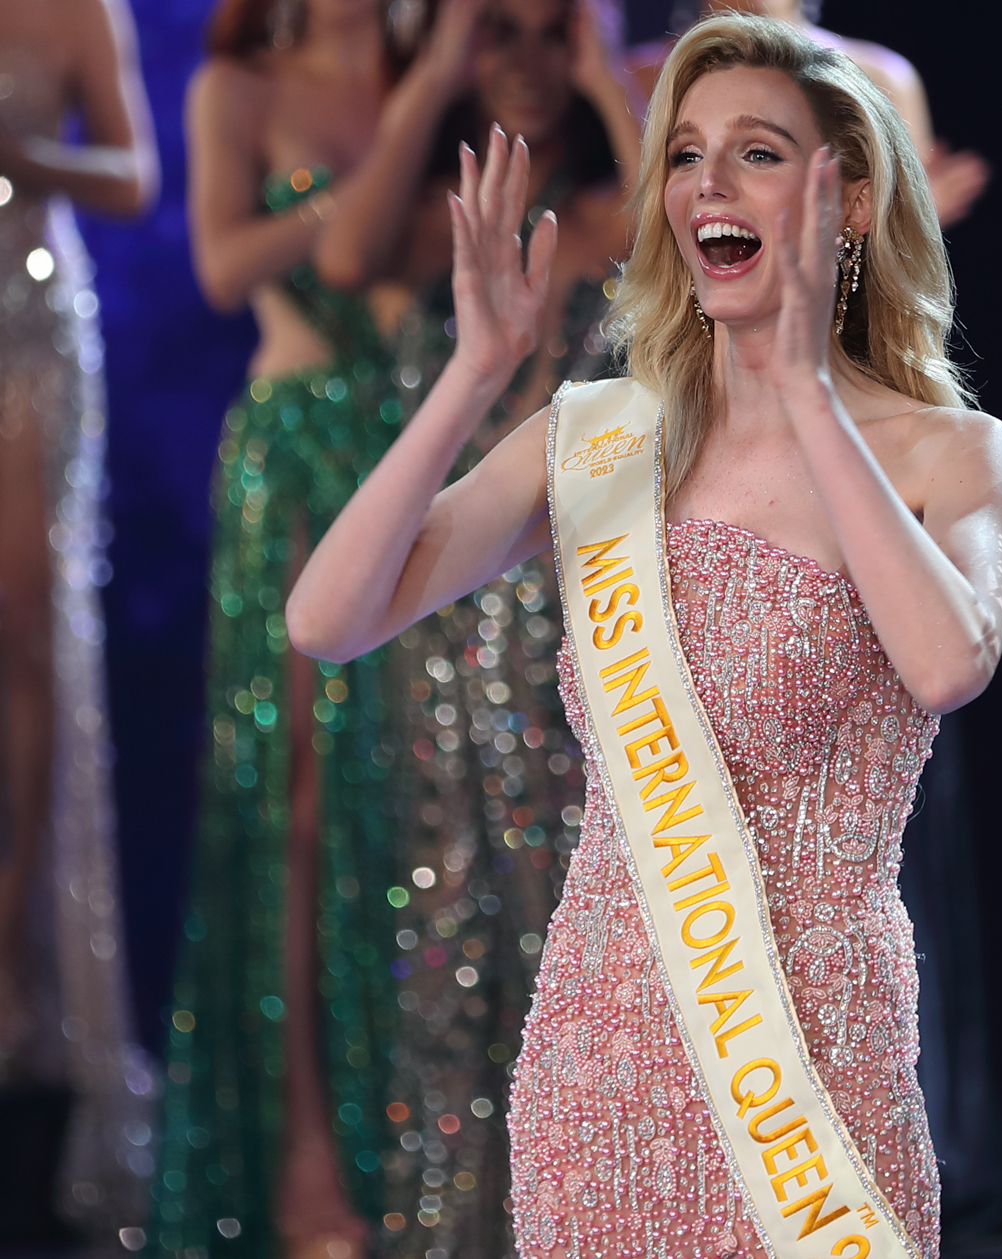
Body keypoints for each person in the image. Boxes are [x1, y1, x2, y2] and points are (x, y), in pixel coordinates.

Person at [284, 12, 1002, 1258]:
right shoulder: (607, 436)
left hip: (811, 1068)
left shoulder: (952, 454)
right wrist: (475, 373)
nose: (707, 185)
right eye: (684, 155)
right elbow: (328, 617)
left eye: (756, 153)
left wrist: (803, 392)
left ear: (845, 198)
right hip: (600, 1062)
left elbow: (948, 664)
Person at [157, 1, 491, 1255]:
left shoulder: (440, 70)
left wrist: (437, 82)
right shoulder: (238, 83)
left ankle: (429, 1155)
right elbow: (222, 263)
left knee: (428, 795)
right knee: (293, 807)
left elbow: (415, 263)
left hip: (411, 442)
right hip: (296, 453)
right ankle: (303, 1156)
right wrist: (348, 182)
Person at [303, 0, 638, 1246]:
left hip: (583, 637)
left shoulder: (625, 219)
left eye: (559, 33)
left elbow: (712, 243)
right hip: (440, 630)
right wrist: (437, 64)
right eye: (502, 31)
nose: (530, 63)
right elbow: (338, 262)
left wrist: (615, 86)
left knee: (576, 939)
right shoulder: (432, 224)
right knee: (447, 933)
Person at [0, 0, 157, 1241]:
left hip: (29, 325)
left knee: (30, 640)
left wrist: (26, 156)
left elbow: (133, 173)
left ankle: (16, 957)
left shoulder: (74, 11)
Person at [626, 1, 988, 227]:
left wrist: (904, 218)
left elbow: (905, 259)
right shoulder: (637, 79)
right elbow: (626, 228)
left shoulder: (881, 79)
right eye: (687, 156)